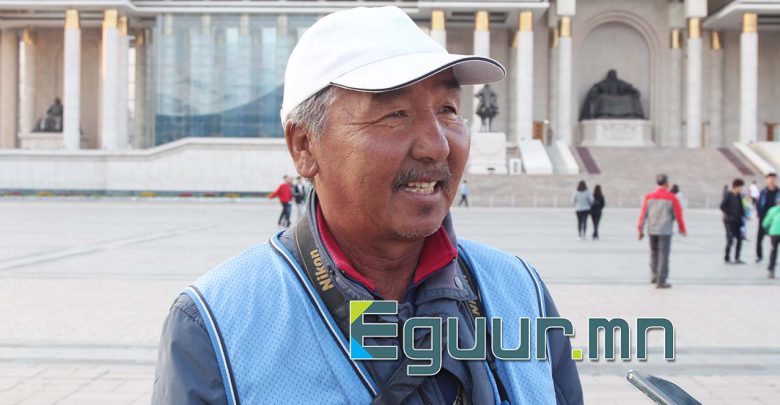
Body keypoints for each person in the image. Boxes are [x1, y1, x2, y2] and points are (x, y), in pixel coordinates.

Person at [152, 7, 582, 405]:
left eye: (448, 109)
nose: (436, 146)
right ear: (304, 146)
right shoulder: (216, 325)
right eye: (394, 114)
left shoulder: (519, 290)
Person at [638, 174, 687, 289]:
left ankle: (654, 274)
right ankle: (661, 280)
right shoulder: (672, 198)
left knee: (654, 253)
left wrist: (640, 229)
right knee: (663, 255)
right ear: (666, 183)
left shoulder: (649, 197)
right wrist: (682, 228)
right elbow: (678, 214)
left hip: (652, 230)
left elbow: (643, 214)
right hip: (665, 231)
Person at [720, 179, 746, 264]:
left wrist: (743, 216)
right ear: (736, 187)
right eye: (740, 187)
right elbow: (722, 206)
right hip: (729, 221)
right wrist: (731, 213)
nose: (741, 189)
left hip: (738, 221)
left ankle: (737, 258)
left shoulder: (739, 196)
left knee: (739, 239)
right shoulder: (729, 195)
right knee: (730, 239)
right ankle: (727, 257)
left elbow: (741, 207)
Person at [756, 173, 778, 263]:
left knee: (776, 238)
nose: (771, 181)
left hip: (775, 219)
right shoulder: (763, 192)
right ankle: (759, 255)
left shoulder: (778, 192)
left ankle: (774, 257)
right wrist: (759, 214)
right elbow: (759, 204)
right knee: (760, 237)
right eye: (770, 179)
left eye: (773, 179)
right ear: (766, 180)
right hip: (764, 217)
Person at [761, 196, 780, 279]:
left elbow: (765, 223)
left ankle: (771, 270)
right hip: (775, 232)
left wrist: (768, 230)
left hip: (774, 233)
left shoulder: (772, 210)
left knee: (773, 251)